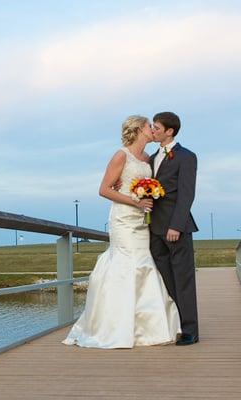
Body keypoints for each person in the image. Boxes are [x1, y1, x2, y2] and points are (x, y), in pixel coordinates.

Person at [63, 115, 181, 349]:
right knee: (126, 265)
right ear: (139, 129)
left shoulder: (149, 157)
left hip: (142, 221)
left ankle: (146, 328)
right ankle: (115, 327)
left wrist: (147, 199)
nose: (152, 129)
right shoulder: (121, 155)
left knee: (144, 265)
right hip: (123, 219)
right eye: (149, 126)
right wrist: (134, 201)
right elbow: (104, 189)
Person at [149, 111, 199, 345]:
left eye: (157, 127)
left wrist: (176, 225)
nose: (153, 130)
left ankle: (190, 331)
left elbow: (187, 195)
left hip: (175, 227)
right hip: (154, 229)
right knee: (165, 279)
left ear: (170, 131)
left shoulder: (187, 157)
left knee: (183, 279)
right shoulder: (151, 158)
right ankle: (173, 325)